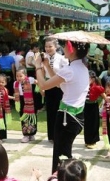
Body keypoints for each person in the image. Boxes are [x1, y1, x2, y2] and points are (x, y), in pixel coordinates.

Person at [34, 38, 90, 172]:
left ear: (72, 49)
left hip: (66, 117)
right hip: (77, 115)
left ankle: (62, 180)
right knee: (64, 152)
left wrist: (37, 66)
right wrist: (47, 66)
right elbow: (60, 84)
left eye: (65, 46)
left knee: (61, 155)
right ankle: (68, 179)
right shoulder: (82, 67)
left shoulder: (70, 70)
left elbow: (43, 85)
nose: (63, 49)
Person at [42, 38, 69, 142]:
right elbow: (42, 73)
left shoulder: (62, 59)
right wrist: (41, 87)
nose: (48, 49)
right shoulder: (44, 58)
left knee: (59, 110)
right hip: (48, 85)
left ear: (56, 47)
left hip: (59, 86)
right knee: (50, 110)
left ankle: (59, 134)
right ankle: (51, 136)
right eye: (46, 46)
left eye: (50, 46)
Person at [14, 68, 38, 143]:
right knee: (24, 117)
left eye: (20, 76)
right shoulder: (15, 83)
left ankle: (32, 134)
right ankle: (26, 135)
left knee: (31, 117)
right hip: (21, 101)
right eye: (17, 76)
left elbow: (37, 82)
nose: (19, 78)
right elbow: (16, 93)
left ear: (25, 75)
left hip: (30, 100)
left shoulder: (30, 79)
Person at [84, 72, 104, 149]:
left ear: (92, 79)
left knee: (94, 124)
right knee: (87, 124)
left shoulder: (96, 87)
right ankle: (87, 141)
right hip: (86, 106)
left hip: (93, 106)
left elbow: (103, 94)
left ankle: (93, 141)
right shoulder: (85, 86)